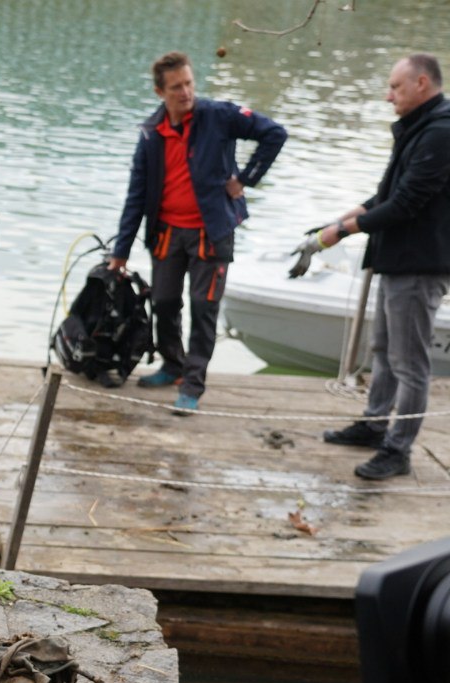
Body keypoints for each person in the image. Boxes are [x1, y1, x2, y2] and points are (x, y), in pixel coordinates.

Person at [109, 51, 286, 413]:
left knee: (204, 308)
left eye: (189, 83)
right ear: (161, 92)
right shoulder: (150, 134)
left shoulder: (220, 116)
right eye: (177, 87)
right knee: (163, 302)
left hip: (211, 232)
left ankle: (192, 385)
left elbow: (274, 134)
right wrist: (121, 251)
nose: (186, 92)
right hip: (167, 234)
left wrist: (245, 179)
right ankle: (173, 365)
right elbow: (136, 195)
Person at [310, 54, 450, 480]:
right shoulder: (420, 126)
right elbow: (388, 194)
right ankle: (374, 425)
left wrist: (345, 231)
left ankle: (398, 449)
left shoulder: (441, 131)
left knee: (410, 362)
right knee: (383, 352)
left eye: (396, 87)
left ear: (422, 83)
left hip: (419, 263)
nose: (388, 96)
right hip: (398, 259)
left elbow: (406, 204)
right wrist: (339, 221)